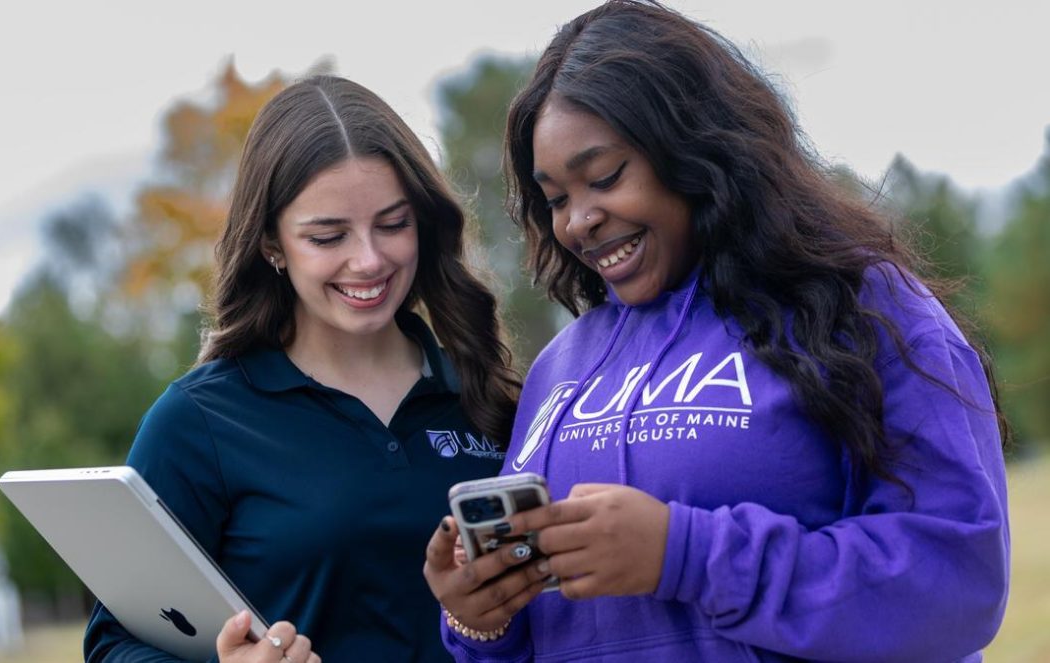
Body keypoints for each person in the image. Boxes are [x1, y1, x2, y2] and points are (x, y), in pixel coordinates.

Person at [423, 1, 1011, 661]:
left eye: (605, 176)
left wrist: (684, 553)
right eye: (556, 198)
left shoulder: (860, 305)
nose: (578, 220)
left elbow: (957, 581)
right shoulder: (560, 370)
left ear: (693, 149)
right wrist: (482, 622)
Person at [84, 75, 520, 662]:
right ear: (271, 244)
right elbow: (113, 644)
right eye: (327, 235)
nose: (368, 259)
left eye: (393, 224)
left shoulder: (489, 395)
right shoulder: (199, 422)